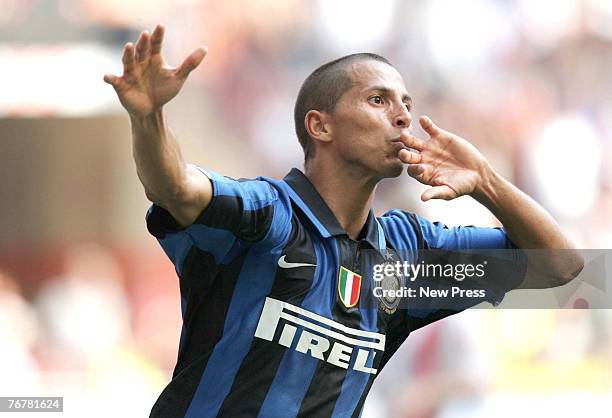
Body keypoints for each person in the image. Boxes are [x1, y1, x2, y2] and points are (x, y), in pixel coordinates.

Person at [104, 25, 584, 418]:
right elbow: (176, 188)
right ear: (321, 126)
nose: (402, 118)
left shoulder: (409, 257)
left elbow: (559, 268)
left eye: (407, 106)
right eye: (379, 100)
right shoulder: (268, 216)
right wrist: (149, 119)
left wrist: (485, 181)